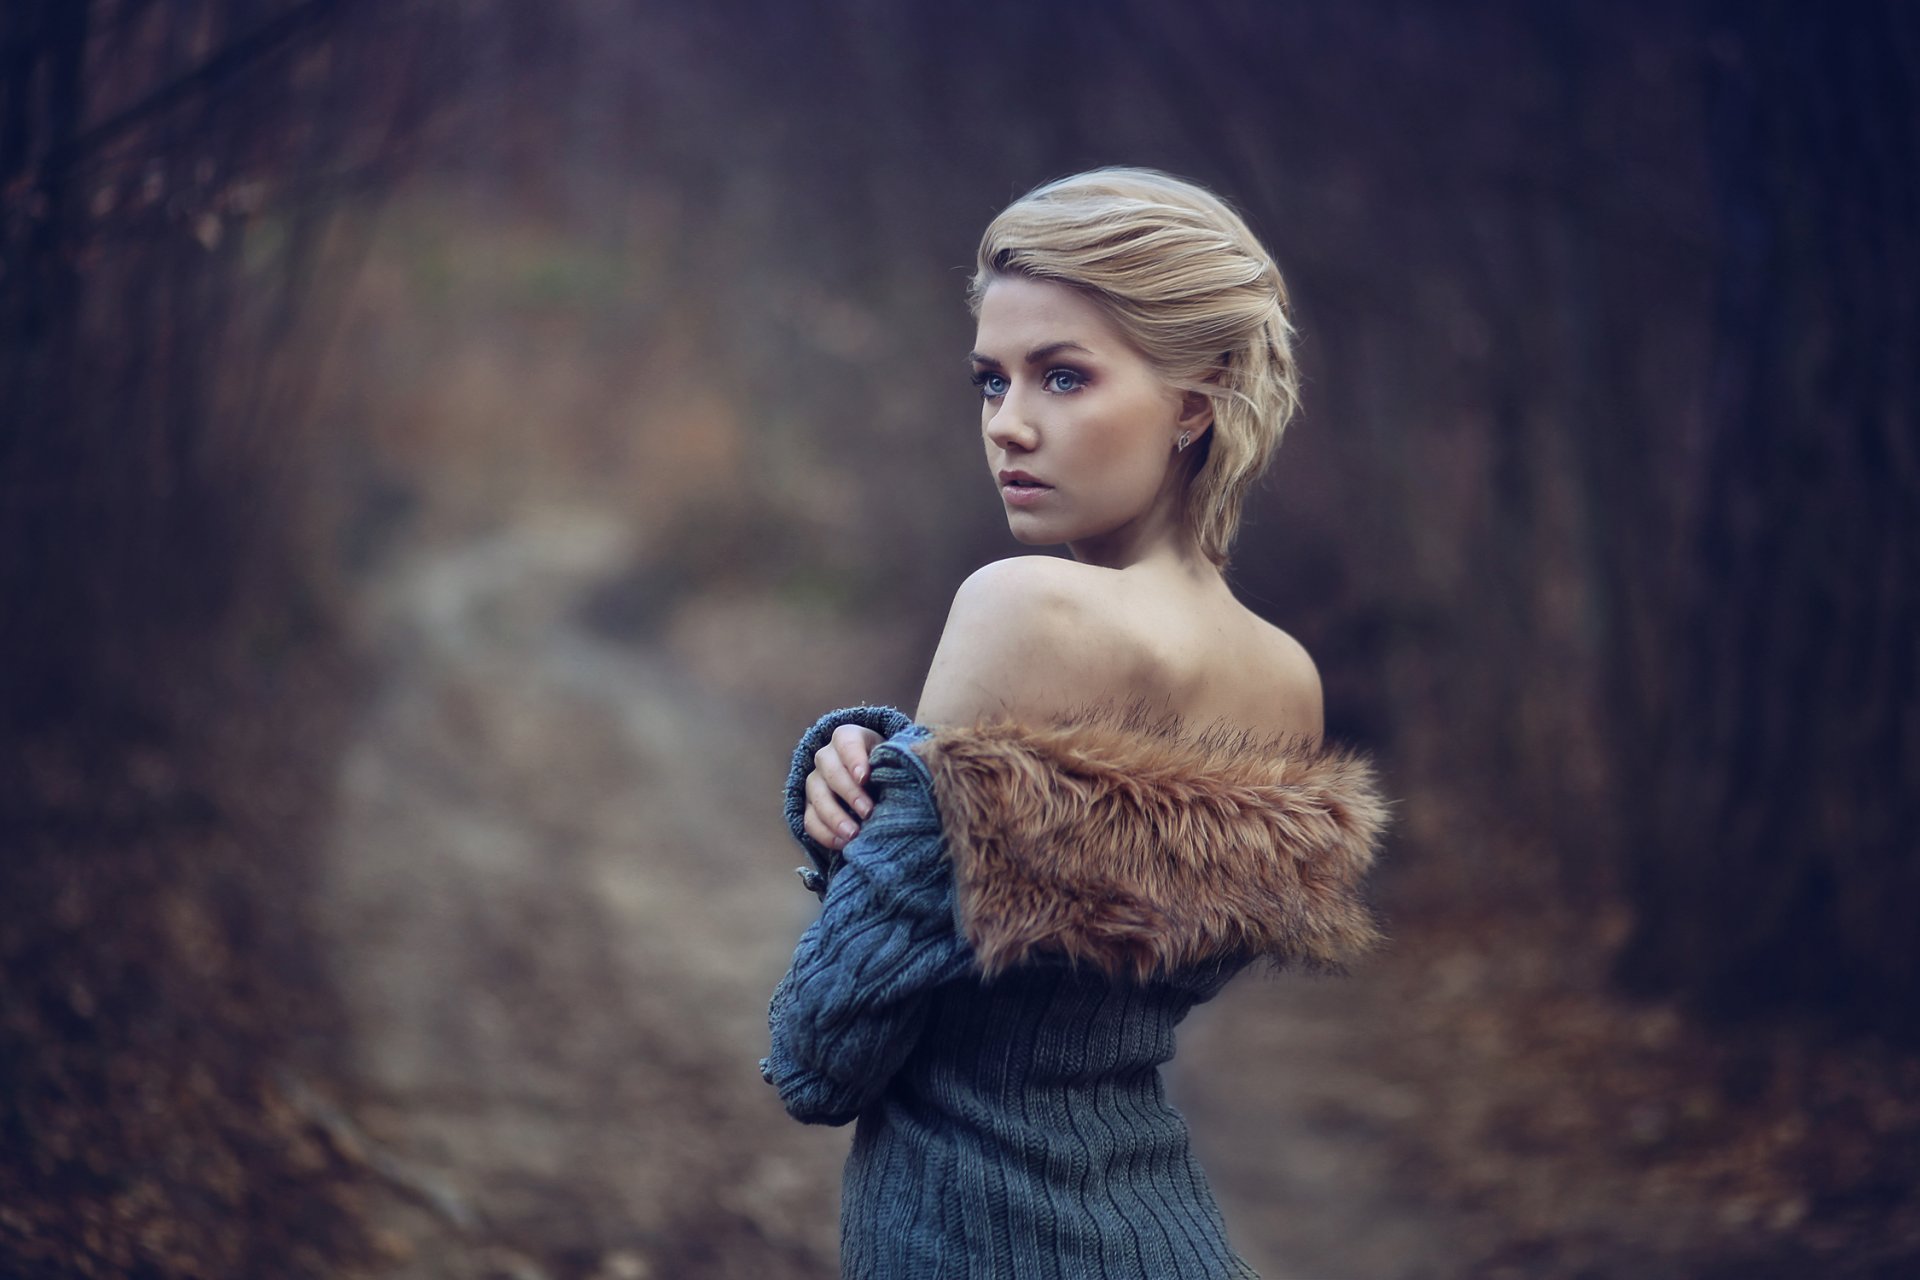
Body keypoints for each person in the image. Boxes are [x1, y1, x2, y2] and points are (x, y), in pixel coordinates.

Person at [761, 168, 1388, 1279]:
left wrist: (865, 810)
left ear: (1196, 401)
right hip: (1162, 1233)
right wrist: (883, 764)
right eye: (991, 380)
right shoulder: (1286, 676)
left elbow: (824, 1051)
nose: (1010, 423)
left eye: (1062, 376)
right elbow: (1064, 994)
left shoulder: (1022, 605)